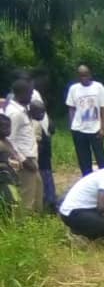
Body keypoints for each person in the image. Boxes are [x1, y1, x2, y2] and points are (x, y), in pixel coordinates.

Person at [65, 65, 104, 176]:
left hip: (95, 129)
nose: (83, 78)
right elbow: (71, 108)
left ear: (90, 75)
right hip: (79, 129)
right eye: (81, 76)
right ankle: (88, 180)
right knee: (83, 159)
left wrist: (103, 128)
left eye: (85, 75)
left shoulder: (98, 87)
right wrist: (72, 126)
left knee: (101, 158)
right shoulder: (73, 89)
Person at [5, 79, 43, 212]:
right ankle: (22, 226)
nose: (31, 96)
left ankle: (37, 222)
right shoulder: (15, 114)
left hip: (31, 157)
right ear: (22, 93)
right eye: (30, 93)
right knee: (27, 197)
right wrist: (24, 160)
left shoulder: (22, 110)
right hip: (25, 160)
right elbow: (9, 140)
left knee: (38, 191)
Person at [0, 113, 21, 214]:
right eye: (4, 127)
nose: (8, 130)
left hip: (11, 177)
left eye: (9, 126)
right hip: (3, 179)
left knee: (12, 203)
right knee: (9, 203)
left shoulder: (6, 141)